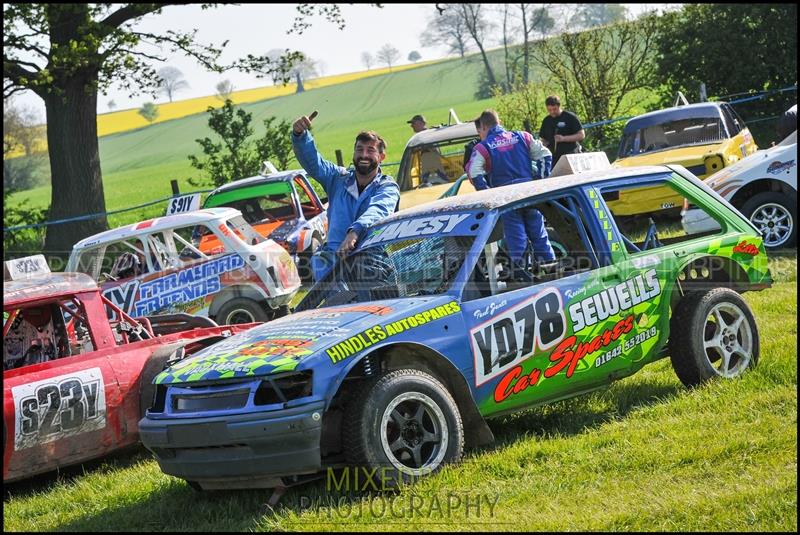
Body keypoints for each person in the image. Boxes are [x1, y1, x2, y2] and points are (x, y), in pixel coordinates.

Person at [292, 111, 400, 281]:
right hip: (332, 264)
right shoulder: (337, 179)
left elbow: (378, 210)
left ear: (382, 157)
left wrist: (354, 233)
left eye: (370, 150)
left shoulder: (387, 187)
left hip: (371, 263)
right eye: (359, 149)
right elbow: (315, 163)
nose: (364, 155)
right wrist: (300, 136)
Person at [468, 109, 556, 281]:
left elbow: (473, 172)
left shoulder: (483, 146)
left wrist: (489, 196)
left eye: (480, 132)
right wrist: (540, 183)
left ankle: (522, 279)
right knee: (539, 234)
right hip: (530, 194)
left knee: (517, 239)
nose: (480, 135)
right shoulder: (523, 136)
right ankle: (554, 272)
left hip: (505, 198)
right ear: (498, 122)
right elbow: (545, 154)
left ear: (484, 127)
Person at [539, 95, 585, 166]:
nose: (552, 112)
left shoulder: (570, 117)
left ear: (559, 106)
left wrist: (564, 138)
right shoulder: (546, 121)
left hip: (571, 155)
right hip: (554, 158)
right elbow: (543, 139)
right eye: (549, 110)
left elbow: (581, 135)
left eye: (554, 109)